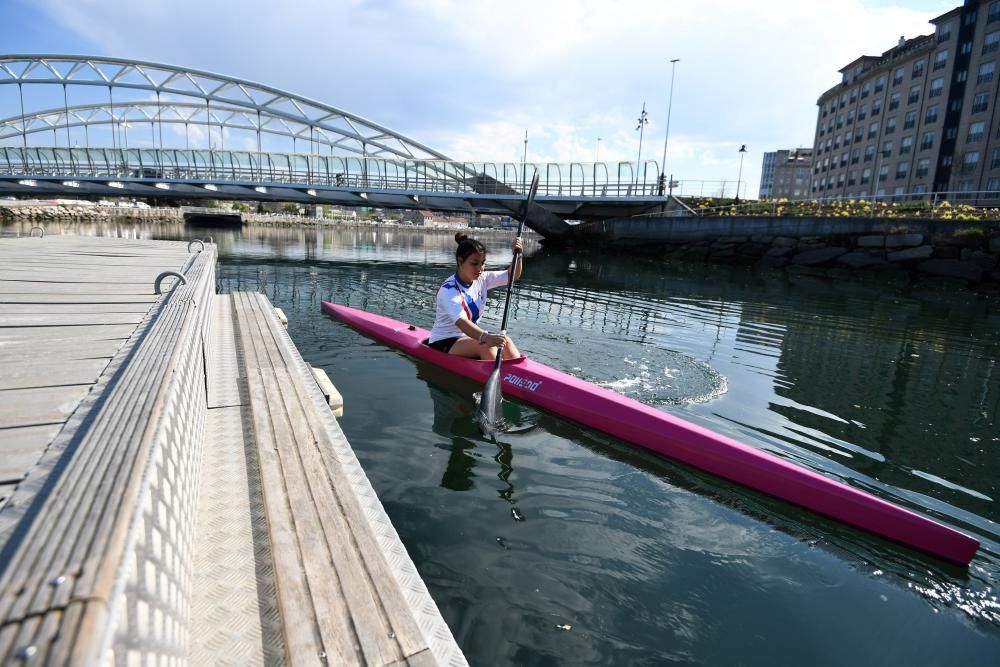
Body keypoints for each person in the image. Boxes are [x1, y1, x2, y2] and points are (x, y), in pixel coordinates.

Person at [427, 232, 523, 360]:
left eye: (483, 263)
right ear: (460, 261)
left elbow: (512, 276)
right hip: (444, 341)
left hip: (468, 337)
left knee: (506, 341)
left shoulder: (482, 278)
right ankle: (505, 377)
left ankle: (520, 376)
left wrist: (519, 255)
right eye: (474, 263)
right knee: (486, 346)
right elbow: (462, 323)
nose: (480, 268)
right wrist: (486, 338)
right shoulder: (449, 290)